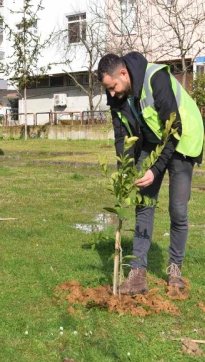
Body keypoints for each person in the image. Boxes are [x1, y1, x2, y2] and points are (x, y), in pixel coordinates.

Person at [97, 52, 204, 295]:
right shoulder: (114, 89)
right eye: (108, 89)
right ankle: (137, 275)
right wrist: (124, 170)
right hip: (152, 140)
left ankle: (175, 270)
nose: (111, 94)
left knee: (177, 209)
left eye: (113, 87)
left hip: (183, 138)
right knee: (143, 202)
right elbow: (120, 135)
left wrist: (155, 170)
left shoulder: (156, 79)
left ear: (123, 74)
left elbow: (174, 128)